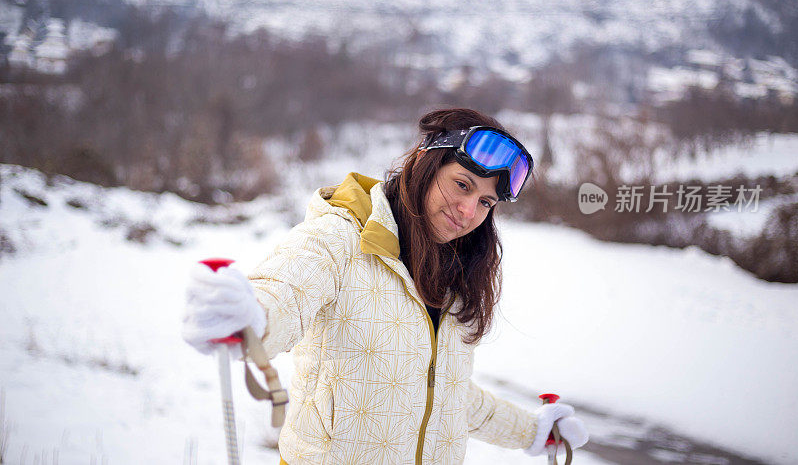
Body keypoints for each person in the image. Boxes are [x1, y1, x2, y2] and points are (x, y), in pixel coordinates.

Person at [182, 108, 589, 464]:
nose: (469, 212)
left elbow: (443, 396)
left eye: (486, 202)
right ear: (424, 165)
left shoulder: (455, 273)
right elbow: (285, 294)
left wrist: (532, 431)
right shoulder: (340, 238)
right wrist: (246, 314)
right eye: (462, 184)